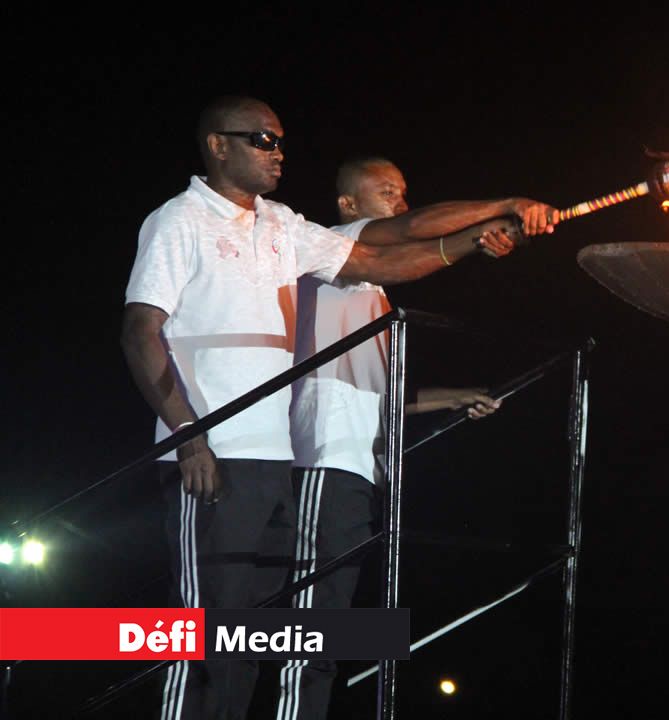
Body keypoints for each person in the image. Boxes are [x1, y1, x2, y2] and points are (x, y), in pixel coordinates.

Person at [120, 96, 555, 720]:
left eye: (280, 140)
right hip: (215, 448)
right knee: (206, 635)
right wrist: (190, 437)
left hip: (281, 461)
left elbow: (383, 263)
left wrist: (471, 243)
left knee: (252, 637)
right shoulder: (179, 220)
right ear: (217, 145)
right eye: (260, 140)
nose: (277, 151)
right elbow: (140, 330)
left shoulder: (283, 227)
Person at [278, 156, 506, 719]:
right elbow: (410, 235)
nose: (402, 206)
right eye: (387, 194)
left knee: (336, 622)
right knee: (315, 618)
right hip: (324, 456)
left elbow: (386, 401)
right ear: (350, 207)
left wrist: (455, 397)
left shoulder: (376, 297)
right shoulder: (333, 251)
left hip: (363, 465)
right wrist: (489, 224)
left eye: (405, 194)